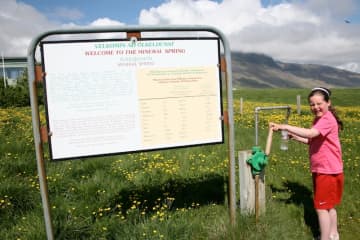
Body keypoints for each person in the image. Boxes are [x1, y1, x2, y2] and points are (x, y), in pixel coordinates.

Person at [270, 87, 344, 240]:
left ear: (328, 103)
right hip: (325, 169)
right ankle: (333, 235)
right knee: (329, 206)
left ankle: (324, 237)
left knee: (321, 207)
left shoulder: (327, 119)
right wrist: (295, 137)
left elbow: (311, 133)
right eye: (312, 104)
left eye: (319, 103)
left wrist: (285, 126)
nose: (315, 107)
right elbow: (311, 140)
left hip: (327, 171)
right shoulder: (319, 120)